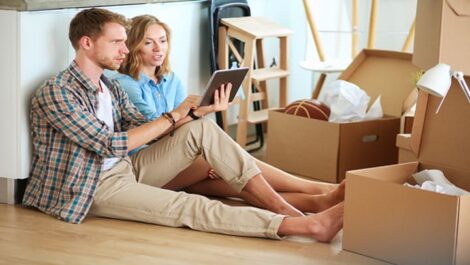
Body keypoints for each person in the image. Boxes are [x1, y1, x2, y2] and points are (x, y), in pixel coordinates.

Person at [22, 8, 343, 242]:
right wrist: (175, 115)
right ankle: (304, 225)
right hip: (92, 186)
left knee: (201, 129)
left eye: (124, 41)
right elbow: (110, 143)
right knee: (189, 206)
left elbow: (145, 125)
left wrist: (196, 113)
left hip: (127, 167)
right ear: (87, 43)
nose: (124, 49)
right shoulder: (57, 92)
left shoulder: (110, 86)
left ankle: (284, 206)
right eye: (117, 42)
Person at [115, 14, 344, 214]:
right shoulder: (126, 84)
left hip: (177, 159)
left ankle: (318, 202)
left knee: (240, 185)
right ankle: (315, 188)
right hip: (146, 166)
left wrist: (205, 111)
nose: (159, 48)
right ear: (134, 46)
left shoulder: (171, 79)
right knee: (230, 167)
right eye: (148, 42)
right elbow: (156, 131)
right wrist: (203, 121)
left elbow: (184, 126)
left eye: (163, 41)